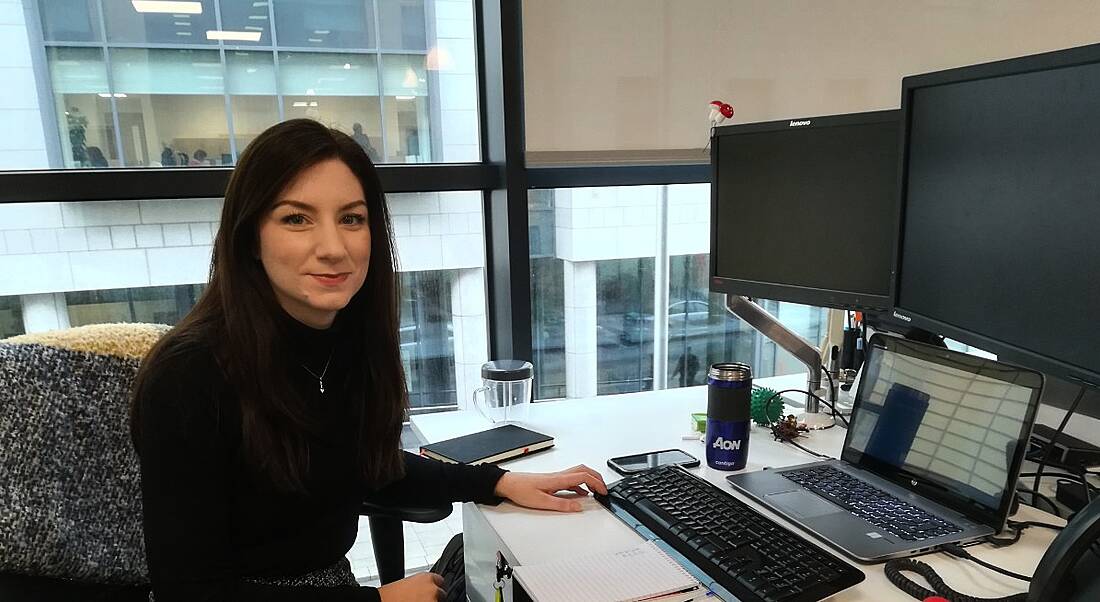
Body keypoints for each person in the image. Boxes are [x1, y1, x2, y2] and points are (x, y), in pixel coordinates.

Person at [130, 118, 607, 602]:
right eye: (296, 218)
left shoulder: (341, 340)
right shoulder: (188, 375)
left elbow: (365, 468)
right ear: (250, 235)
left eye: (352, 219)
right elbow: (187, 591)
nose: (334, 248)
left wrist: (498, 481)